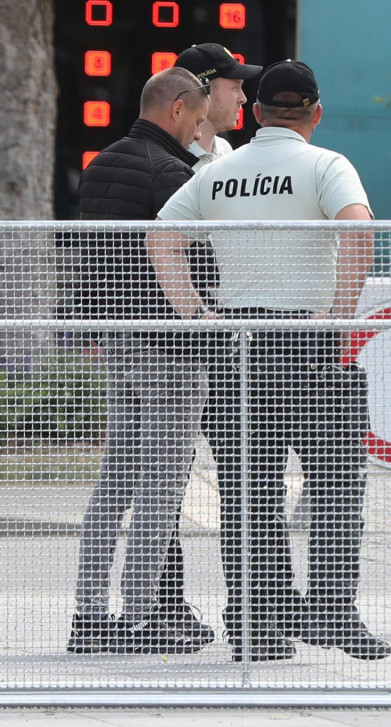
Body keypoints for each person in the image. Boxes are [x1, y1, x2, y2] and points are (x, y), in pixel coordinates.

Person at [151, 60, 390, 663]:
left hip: (235, 342)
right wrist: (340, 316)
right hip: (307, 339)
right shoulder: (326, 164)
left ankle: (259, 623)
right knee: (335, 481)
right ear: (315, 113)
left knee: (248, 490)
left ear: (255, 114)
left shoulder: (218, 171)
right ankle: (331, 611)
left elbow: (160, 236)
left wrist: (194, 314)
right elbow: (359, 232)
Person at [67, 67, 215, 655]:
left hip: (118, 340)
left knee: (115, 480)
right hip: (169, 345)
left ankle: (89, 615)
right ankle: (141, 616)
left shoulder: (99, 164)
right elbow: (196, 261)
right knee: (162, 483)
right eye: (199, 120)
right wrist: (204, 318)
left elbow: (90, 256)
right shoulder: (172, 175)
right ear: (177, 109)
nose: (199, 132)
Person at [174, 43, 262, 170]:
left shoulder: (225, 149)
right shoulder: (167, 159)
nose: (243, 99)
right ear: (204, 91)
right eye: (235, 88)